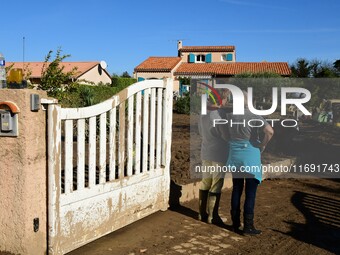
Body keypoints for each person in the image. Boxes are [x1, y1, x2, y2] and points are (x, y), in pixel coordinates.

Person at [224, 91, 274, 235]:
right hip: (250, 156)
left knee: (237, 189)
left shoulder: (229, 116)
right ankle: (248, 226)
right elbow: (269, 131)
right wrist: (261, 145)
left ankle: (234, 223)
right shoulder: (253, 116)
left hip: (235, 155)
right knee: (250, 193)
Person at [198, 91, 230, 225]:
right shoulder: (219, 115)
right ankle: (213, 215)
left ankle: (201, 213)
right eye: (227, 99)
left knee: (205, 181)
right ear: (222, 100)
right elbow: (225, 136)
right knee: (216, 184)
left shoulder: (203, 114)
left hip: (205, 151)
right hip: (218, 153)